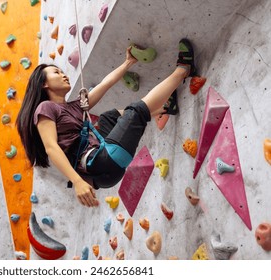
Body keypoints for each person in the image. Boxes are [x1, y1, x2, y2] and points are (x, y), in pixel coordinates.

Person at [16, 38, 197, 208]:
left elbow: (106, 83)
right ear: (43, 85)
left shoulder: (74, 107)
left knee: (109, 117)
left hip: (103, 168)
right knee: (135, 111)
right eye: (57, 73)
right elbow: (51, 147)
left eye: (63, 72)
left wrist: (128, 62)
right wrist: (77, 181)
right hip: (101, 162)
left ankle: (165, 108)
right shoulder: (45, 108)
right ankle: (184, 69)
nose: (64, 75)